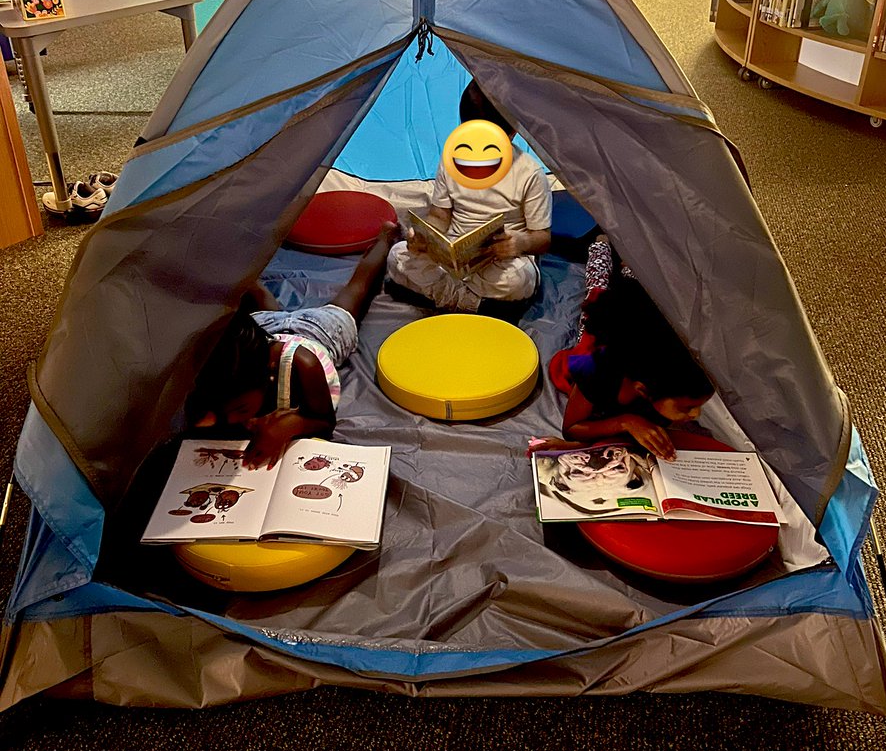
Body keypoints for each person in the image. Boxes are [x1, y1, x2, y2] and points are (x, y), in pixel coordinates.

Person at [188, 221, 399, 469]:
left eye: (240, 409)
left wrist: (293, 423)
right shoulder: (233, 360)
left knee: (356, 291)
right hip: (268, 326)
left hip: (318, 331)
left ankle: (386, 238)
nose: (231, 419)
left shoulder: (304, 364)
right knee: (270, 312)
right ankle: (255, 286)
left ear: (267, 372)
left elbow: (324, 420)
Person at [386, 81, 552, 317]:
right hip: (454, 260)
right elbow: (439, 215)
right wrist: (424, 237)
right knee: (398, 256)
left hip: (501, 263)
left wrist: (519, 243)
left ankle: (448, 297)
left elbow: (542, 239)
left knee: (518, 280)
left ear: (512, 133)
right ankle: (470, 301)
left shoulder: (530, 173)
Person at [534, 273, 715, 461]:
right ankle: (603, 252)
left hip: (634, 333)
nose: (696, 415)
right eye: (687, 408)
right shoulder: (595, 372)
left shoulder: (664, 381)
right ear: (642, 390)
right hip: (596, 343)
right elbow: (572, 429)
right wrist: (626, 422)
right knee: (598, 289)